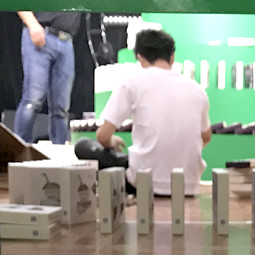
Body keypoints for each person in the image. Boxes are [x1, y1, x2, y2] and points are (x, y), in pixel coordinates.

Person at [84, 28, 211, 196]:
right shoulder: (197, 90)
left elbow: (102, 136)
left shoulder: (132, 83)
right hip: (188, 184)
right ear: (172, 57)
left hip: (144, 181)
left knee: (83, 146)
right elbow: (206, 136)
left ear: (140, 57)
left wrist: (112, 141)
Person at [14, 11, 81, 145]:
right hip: (40, 31)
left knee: (61, 108)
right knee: (33, 100)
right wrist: (32, 24)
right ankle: (19, 148)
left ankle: (59, 150)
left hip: (67, 41)